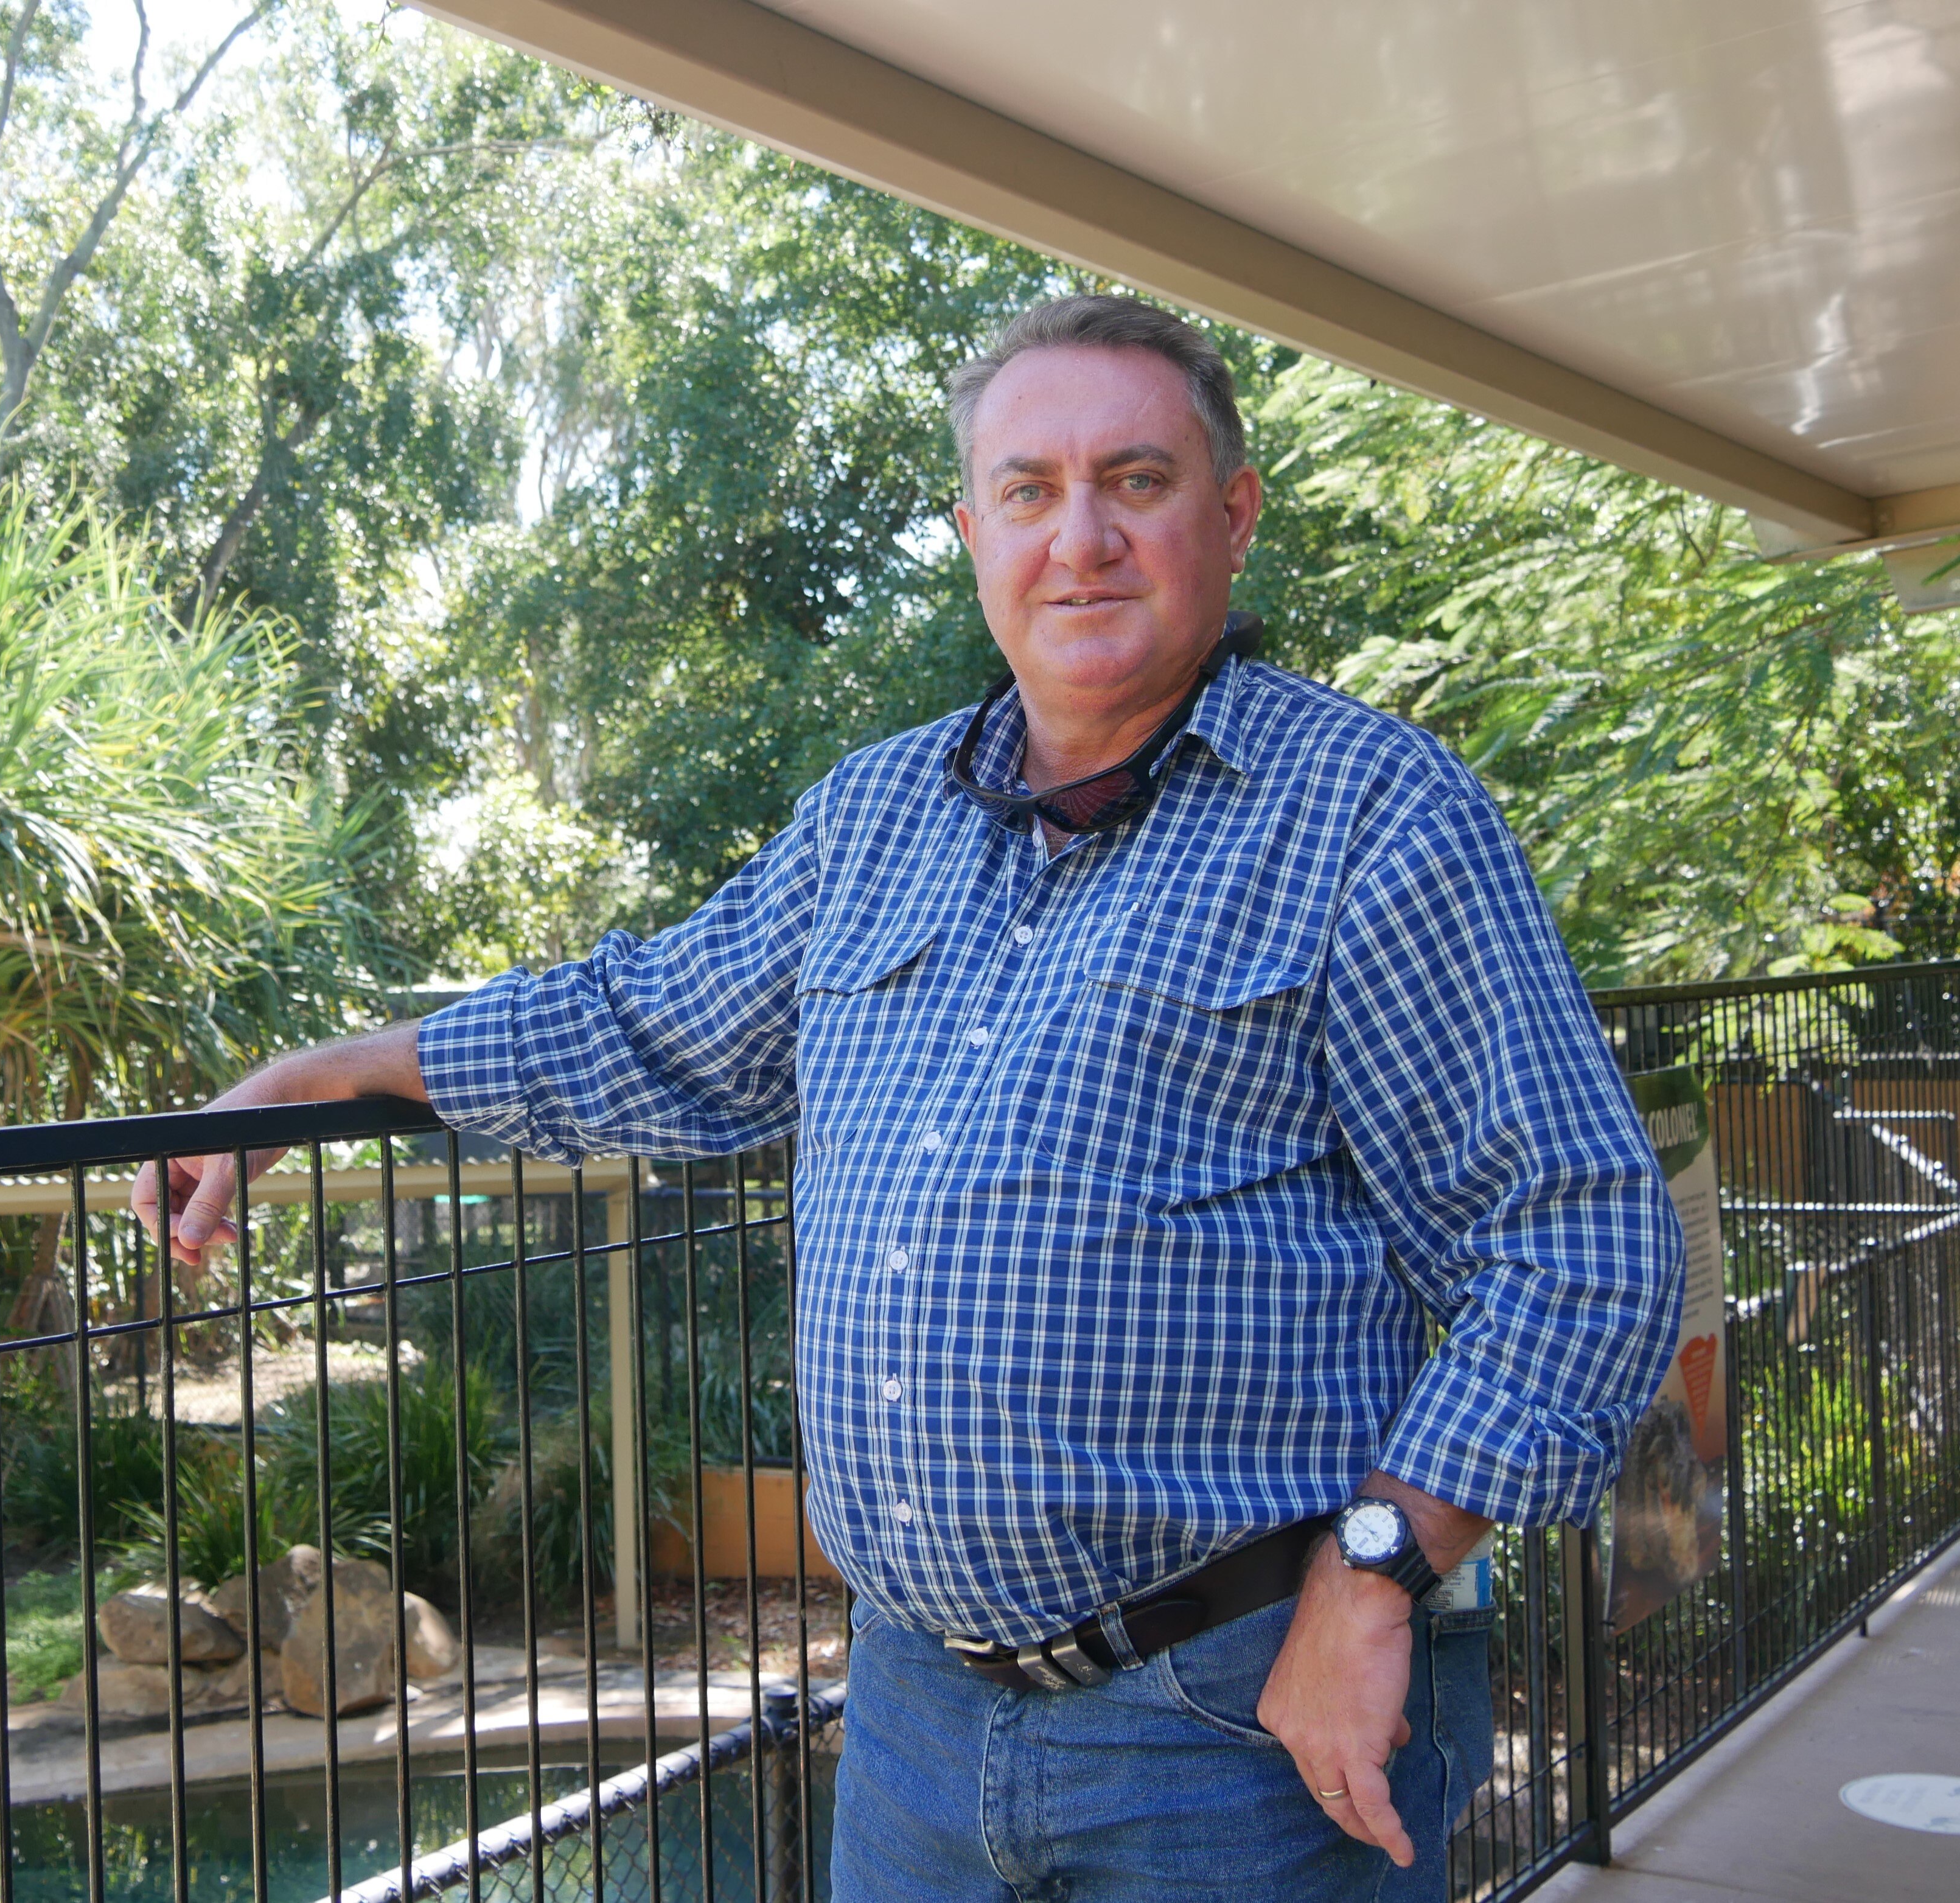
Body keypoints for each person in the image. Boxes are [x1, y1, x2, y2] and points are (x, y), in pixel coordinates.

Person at [137, 293, 1684, 1900]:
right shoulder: (871, 815)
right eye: (1026, 491)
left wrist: (1374, 1582)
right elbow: (648, 1026)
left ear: (1230, 517)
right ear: (970, 532)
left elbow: (1577, 1245)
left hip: (1234, 1717)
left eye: (1134, 482)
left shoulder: (1371, 814)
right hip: (910, 1716)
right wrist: (324, 1073)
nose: (1076, 538)